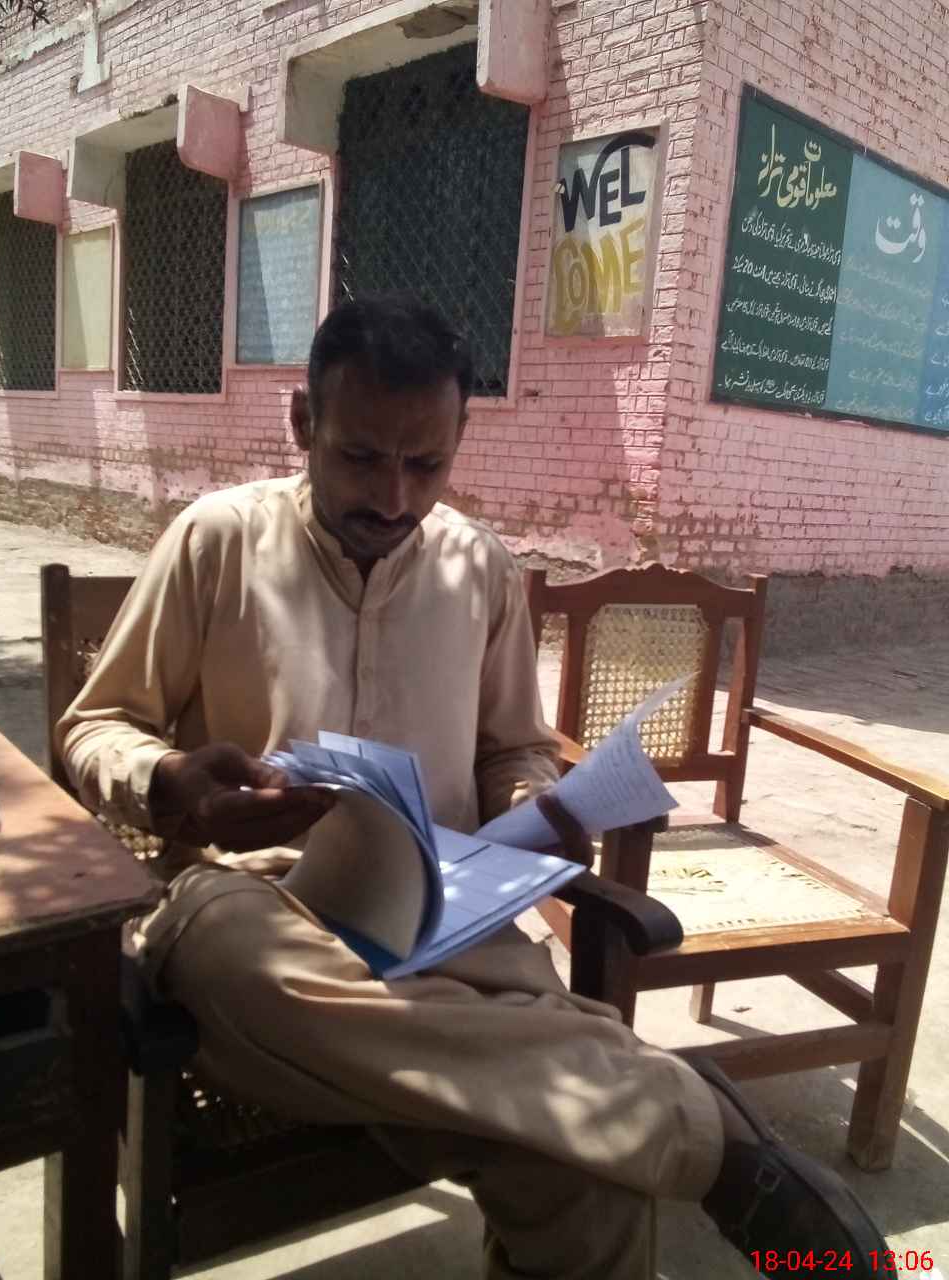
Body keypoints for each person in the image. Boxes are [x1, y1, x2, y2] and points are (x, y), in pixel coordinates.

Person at [58, 294, 888, 1278]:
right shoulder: (216, 541)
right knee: (229, 953)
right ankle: (693, 1122)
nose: (394, 498)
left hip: (443, 932)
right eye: (362, 457)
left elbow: (513, 750)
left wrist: (530, 805)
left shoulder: (479, 568)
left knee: (588, 1170)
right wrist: (170, 780)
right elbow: (92, 727)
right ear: (303, 422)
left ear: (459, 441)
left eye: (426, 465)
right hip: (259, 915)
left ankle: (633, 1108)